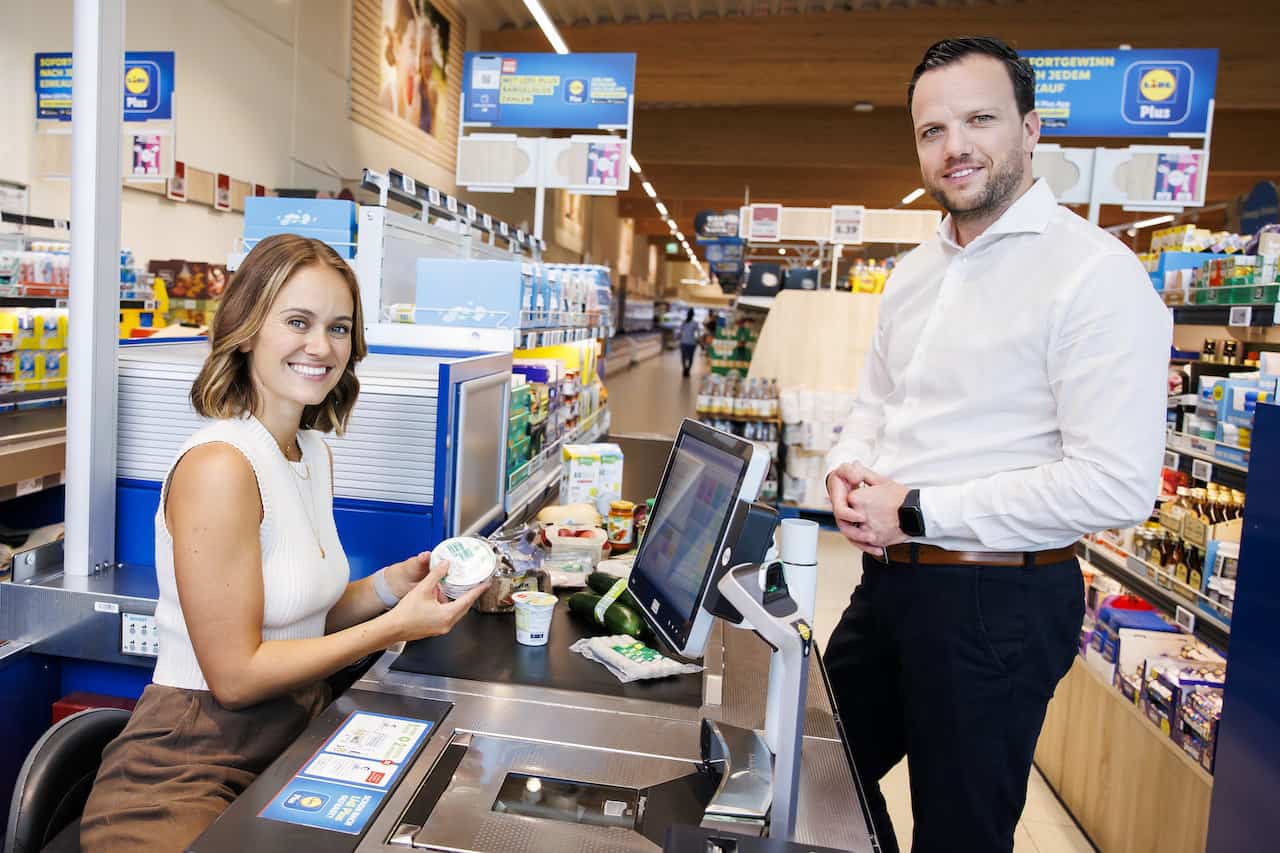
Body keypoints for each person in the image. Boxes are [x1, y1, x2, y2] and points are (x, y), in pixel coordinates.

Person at [822, 38, 1170, 853]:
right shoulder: (915, 270)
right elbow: (878, 403)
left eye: (980, 119)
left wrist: (917, 506)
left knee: (957, 834)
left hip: (997, 603)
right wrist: (849, 464)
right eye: (932, 130)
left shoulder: (1094, 276)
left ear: (1030, 128)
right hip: (887, 589)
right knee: (811, 775)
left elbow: (1116, 486)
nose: (955, 147)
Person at [80, 235, 489, 852]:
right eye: (298, 321)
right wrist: (395, 626)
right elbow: (236, 677)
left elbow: (299, 620)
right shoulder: (219, 465)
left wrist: (389, 587)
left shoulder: (310, 451)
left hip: (290, 740)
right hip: (189, 767)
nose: (321, 347)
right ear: (247, 329)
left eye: (339, 327)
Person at [678, 308, 701, 377]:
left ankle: (684, 368)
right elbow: (698, 333)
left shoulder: (683, 322)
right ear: (693, 315)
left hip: (683, 342)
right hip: (692, 343)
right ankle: (688, 370)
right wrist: (698, 340)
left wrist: (680, 338)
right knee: (690, 357)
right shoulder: (695, 323)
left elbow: (680, 332)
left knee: (683, 357)